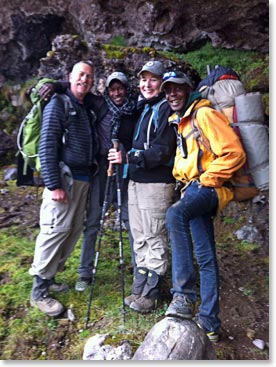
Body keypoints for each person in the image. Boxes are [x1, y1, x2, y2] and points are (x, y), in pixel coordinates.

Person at [160, 70, 246, 342]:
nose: (172, 94)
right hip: (193, 189)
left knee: (175, 215)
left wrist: (206, 180)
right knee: (206, 255)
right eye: (167, 90)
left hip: (207, 187)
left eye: (177, 89)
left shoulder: (204, 114)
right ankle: (210, 323)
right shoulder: (182, 121)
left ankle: (183, 296)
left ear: (188, 90)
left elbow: (234, 152)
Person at [29, 60, 99, 316]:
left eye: (89, 76)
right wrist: (53, 184)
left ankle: (49, 279)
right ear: (70, 76)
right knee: (54, 230)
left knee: (71, 231)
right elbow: (47, 145)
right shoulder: (58, 103)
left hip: (82, 179)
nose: (85, 80)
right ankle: (38, 292)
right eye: (80, 74)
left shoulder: (84, 106)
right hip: (63, 179)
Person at [108, 61, 177, 313]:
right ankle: (139, 287)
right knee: (138, 235)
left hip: (157, 183)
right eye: (143, 80)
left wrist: (129, 158)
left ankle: (151, 293)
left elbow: (161, 151)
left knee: (154, 235)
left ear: (162, 84)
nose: (146, 84)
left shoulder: (164, 110)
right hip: (136, 181)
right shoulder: (144, 108)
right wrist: (119, 146)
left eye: (153, 80)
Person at [75, 71, 138, 291]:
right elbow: (76, 88)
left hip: (126, 168)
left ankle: (139, 271)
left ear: (127, 88)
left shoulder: (135, 109)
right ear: (107, 91)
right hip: (101, 167)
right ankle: (84, 272)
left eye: (120, 88)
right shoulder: (101, 105)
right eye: (113, 89)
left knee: (131, 220)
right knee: (93, 218)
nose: (117, 93)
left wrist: (125, 153)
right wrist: (54, 86)